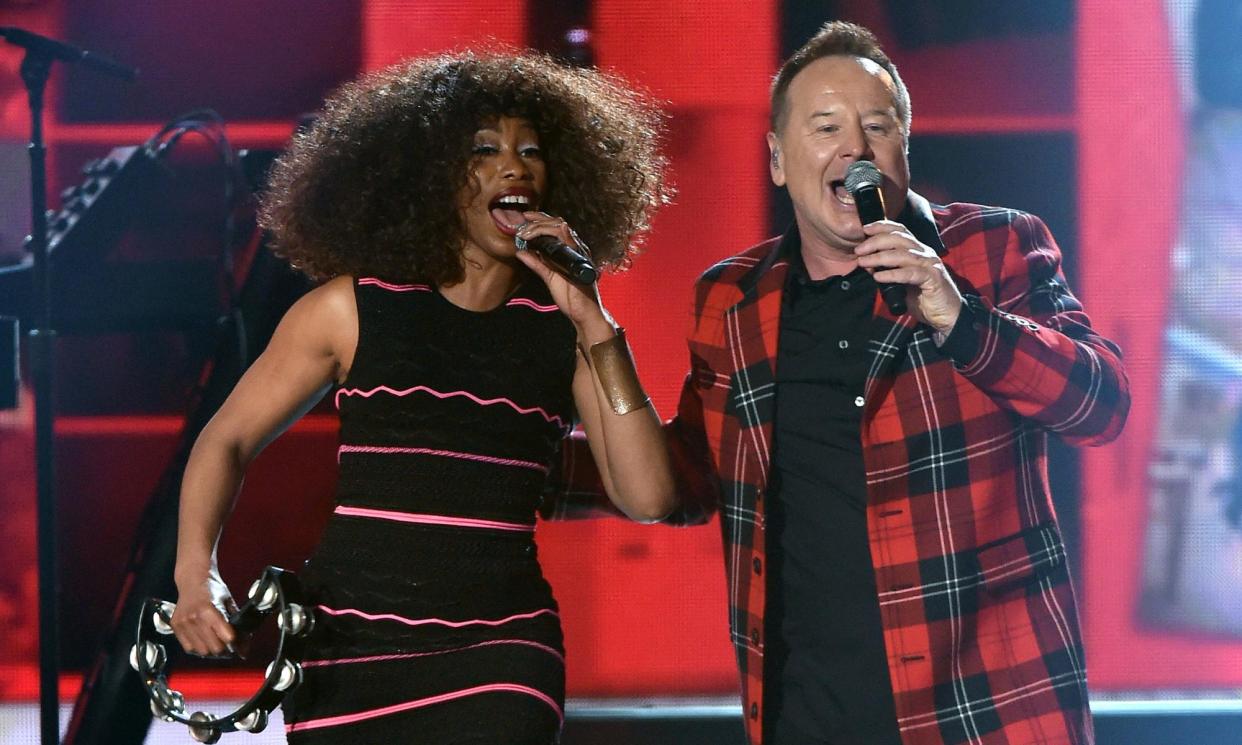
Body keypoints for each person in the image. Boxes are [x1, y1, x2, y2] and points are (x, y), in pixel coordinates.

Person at [546, 20, 1130, 745]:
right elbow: (689, 476)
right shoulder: (732, 301)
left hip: (986, 715)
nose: (855, 148)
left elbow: (1100, 404)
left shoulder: (992, 248)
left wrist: (961, 316)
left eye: (878, 126)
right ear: (779, 161)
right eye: (826, 127)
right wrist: (505, 464)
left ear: (903, 153)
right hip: (809, 717)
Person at [168, 51, 675, 744]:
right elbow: (225, 439)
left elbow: (649, 497)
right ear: (433, 175)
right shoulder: (351, 310)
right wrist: (196, 575)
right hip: (350, 648)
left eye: (531, 151)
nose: (515, 166)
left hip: (502, 650)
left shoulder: (567, 331)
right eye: (484, 149)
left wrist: (593, 319)